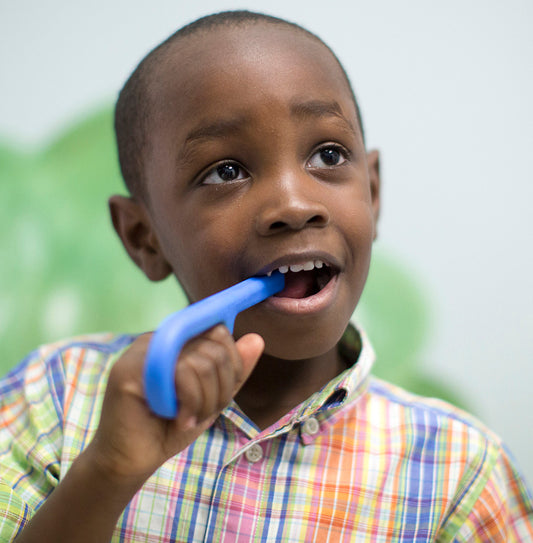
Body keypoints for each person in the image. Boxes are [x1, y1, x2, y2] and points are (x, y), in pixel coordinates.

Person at [1, 10, 532, 542]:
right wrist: (107, 472)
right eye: (225, 171)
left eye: (328, 154)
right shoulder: (53, 398)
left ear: (371, 192)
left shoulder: (460, 471)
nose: (294, 205)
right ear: (145, 237)